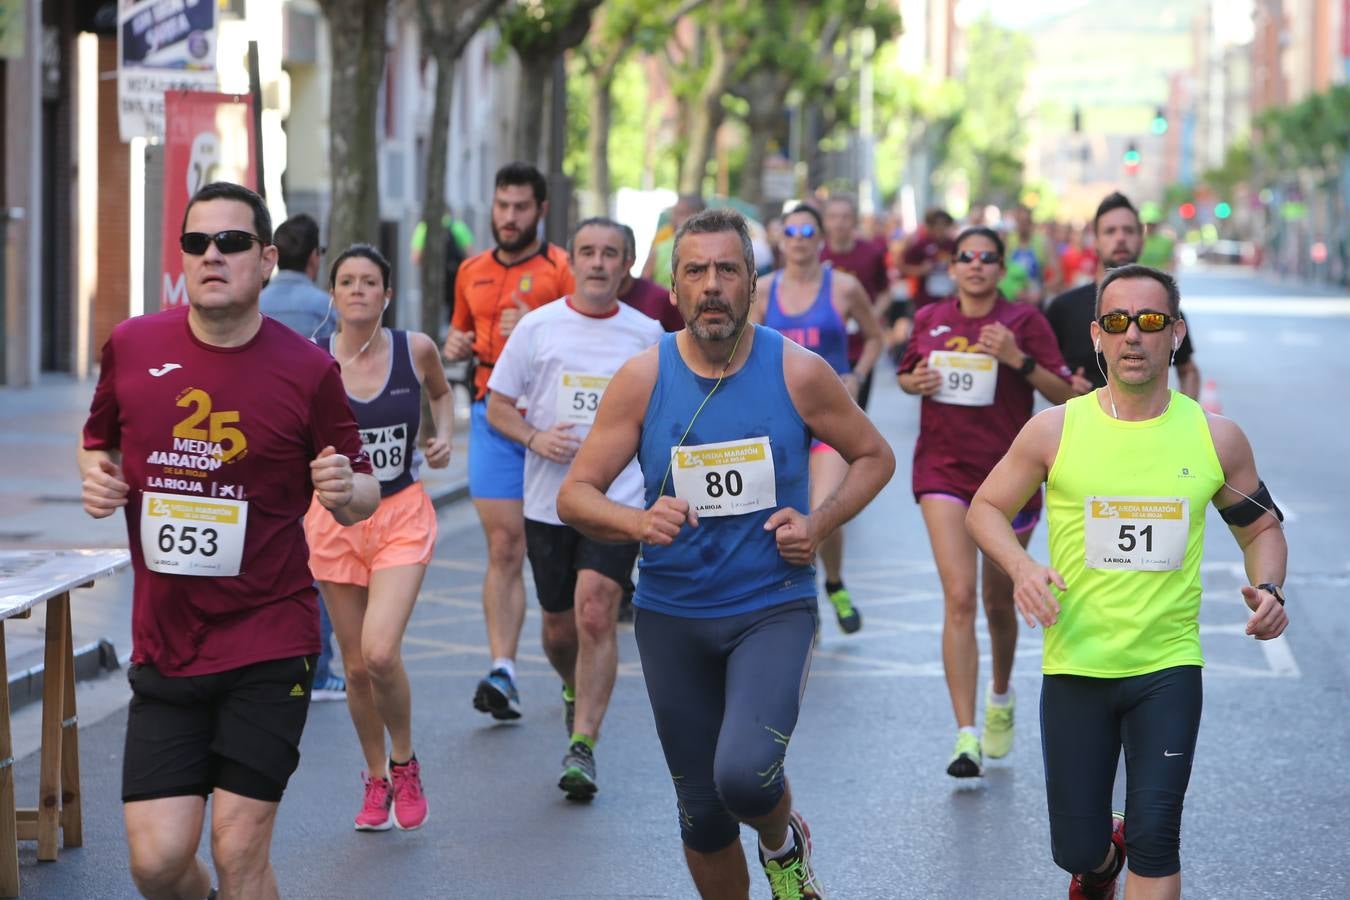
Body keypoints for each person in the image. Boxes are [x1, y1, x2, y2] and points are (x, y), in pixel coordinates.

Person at [557, 209, 895, 899]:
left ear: (751, 283)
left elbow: (874, 457)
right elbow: (575, 494)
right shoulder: (642, 378)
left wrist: (820, 522)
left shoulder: (798, 371)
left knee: (743, 774)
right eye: (695, 271)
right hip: (672, 613)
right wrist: (637, 521)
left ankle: (782, 844)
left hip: (772, 604)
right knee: (704, 815)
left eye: (728, 270)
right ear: (674, 289)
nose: (712, 286)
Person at [79, 181, 378, 899]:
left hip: (270, 640)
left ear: (267, 258)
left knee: (239, 848)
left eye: (232, 242)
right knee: (156, 865)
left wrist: (344, 491)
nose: (212, 255)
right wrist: (96, 478)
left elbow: (363, 488)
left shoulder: (308, 371)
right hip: (167, 641)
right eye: (196, 242)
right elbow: (98, 443)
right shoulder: (131, 345)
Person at [966, 264, 1288, 900]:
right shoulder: (1055, 430)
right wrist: (1023, 568)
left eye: (1150, 321)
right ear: (1096, 336)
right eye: (1117, 322)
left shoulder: (1213, 438)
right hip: (1076, 665)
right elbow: (984, 509)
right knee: (1076, 849)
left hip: (1167, 667)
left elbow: (1261, 530)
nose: (1133, 335)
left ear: (1176, 333)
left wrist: (1271, 590)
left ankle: (1131, 850)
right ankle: (1101, 863)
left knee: (1157, 836)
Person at [486, 217, 662, 800]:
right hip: (550, 498)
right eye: (586, 251)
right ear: (572, 261)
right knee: (560, 628)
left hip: (619, 498)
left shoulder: (648, 334)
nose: (597, 262)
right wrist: (536, 439)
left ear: (627, 265)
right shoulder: (538, 328)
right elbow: (498, 406)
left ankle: (583, 744)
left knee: (595, 613)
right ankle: (571, 686)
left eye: (611, 253)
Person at [897, 226, 1075, 781]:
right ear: (952, 267)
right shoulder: (929, 318)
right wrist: (916, 380)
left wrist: (1016, 359)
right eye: (966, 257)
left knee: (1001, 603)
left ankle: (1000, 695)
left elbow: (1066, 394)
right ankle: (965, 735)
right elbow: (906, 374)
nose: (976, 265)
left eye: (987, 258)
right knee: (959, 596)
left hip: (1006, 479)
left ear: (1002, 268)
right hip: (943, 471)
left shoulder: (1024, 321)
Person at [302, 244, 453, 832]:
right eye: (346, 281)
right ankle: (374, 779)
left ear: (387, 294)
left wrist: (441, 436)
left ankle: (405, 760)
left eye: (370, 281)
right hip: (333, 521)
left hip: (401, 514)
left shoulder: (415, 350)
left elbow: (440, 393)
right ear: (333, 294)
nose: (358, 290)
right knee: (357, 666)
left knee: (382, 650)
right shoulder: (312, 360)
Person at [442, 162, 576, 721]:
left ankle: (572, 671)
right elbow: (459, 336)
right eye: (502, 206)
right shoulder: (470, 270)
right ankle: (504, 669)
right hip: (494, 419)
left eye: (521, 207)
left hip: (555, 426)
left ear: (541, 211)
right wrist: (455, 345)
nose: (510, 217)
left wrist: (541, 326)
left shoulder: (563, 270)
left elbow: (588, 335)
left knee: (558, 558)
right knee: (504, 547)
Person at [752, 203, 883, 635]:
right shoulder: (764, 290)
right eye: (791, 231)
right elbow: (747, 348)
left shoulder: (843, 286)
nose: (800, 238)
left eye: (809, 230)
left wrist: (857, 376)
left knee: (820, 508)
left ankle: (815, 587)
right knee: (779, 510)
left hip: (829, 420)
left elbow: (875, 336)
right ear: (780, 240)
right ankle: (831, 583)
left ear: (821, 238)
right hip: (778, 419)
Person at [258, 213, 346, 703]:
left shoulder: (255, 303)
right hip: (315, 449)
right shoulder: (326, 309)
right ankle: (323, 665)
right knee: (319, 558)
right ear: (316, 258)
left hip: (254, 442)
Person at [1045, 193, 1201, 399]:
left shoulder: (1161, 311)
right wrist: (1063, 381)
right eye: (1110, 231)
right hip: (1081, 428)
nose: (1120, 238)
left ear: (1141, 239)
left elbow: (1187, 370)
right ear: (1096, 241)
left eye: (1128, 231)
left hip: (1148, 428)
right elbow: (1040, 368)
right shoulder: (1063, 308)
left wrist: (1187, 421)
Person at [820, 193, 889, 410]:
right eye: (833, 217)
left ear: (854, 220)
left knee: (855, 414)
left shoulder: (871, 253)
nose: (839, 223)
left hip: (859, 349)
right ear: (824, 221)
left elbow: (886, 291)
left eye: (845, 217)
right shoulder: (815, 255)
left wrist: (870, 315)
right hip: (823, 348)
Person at [617, 223, 685, 332]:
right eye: (588, 253)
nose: (598, 263)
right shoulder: (585, 301)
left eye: (610, 253)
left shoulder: (660, 300)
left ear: (631, 259)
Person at [411, 211, 475, 317]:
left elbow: (416, 258)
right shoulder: (458, 226)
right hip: (453, 280)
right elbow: (471, 256)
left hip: (431, 281)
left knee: (431, 314)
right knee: (454, 314)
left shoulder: (423, 227)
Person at [1001, 205, 1061, 305]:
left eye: (1026, 222)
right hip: (1011, 300)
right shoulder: (1007, 241)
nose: (1022, 226)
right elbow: (999, 272)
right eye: (1019, 222)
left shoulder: (1043, 242)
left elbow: (1058, 275)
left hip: (1035, 299)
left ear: (1031, 223)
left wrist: (1041, 292)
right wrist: (1011, 288)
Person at [641, 194, 705, 284]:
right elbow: (644, 281)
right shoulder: (661, 246)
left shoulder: (712, 247)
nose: (673, 218)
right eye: (674, 213)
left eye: (681, 213)